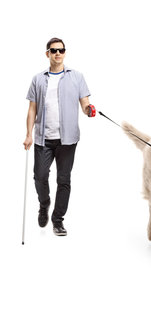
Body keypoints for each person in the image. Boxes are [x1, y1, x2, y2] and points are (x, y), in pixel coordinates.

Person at [23, 37, 95, 236]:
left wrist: (89, 110)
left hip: (67, 140)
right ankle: (44, 203)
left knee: (64, 180)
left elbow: (85, 104)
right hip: (42, 139)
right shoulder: (38, 79)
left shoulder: (76, 77)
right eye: (54, 50)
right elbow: (32, 110)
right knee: (40, 176)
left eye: (61, 50)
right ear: (47, 53)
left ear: (65, 53)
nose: (58, 53)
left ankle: (57, 220)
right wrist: (28, 134)